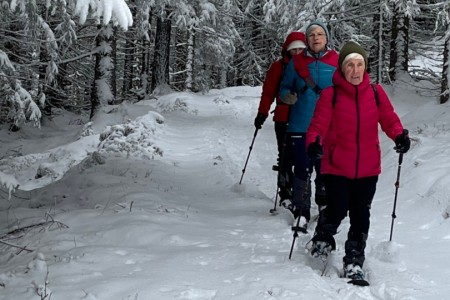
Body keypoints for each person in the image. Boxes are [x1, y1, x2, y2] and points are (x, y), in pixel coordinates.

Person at [305, 41, 411, 281]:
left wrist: (399, 135)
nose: (355, 70)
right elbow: (318, 125)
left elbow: (389, 119)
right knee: (338, 208)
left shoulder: (375, 93)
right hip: (336, 166)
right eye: (350, 65)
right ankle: (323, 236)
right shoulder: (331, 95)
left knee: (361, 214)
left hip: (368, 168)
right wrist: (313, 142)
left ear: (365, 67)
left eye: (359, 65)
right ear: (342, 68)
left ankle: (354, 259)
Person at [278, 20, 338, 231]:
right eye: (312, 34)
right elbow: (284, 87)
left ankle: (324, 207)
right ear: (307, 39)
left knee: (325, 170)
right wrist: (287, 96)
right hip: (300, 124)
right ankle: (301, 212)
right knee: (302, 170)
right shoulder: (296, 63)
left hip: (328, 127)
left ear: (326, 37)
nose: (316, 38)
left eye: (320, 34)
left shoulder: (337, 61)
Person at [254, 31, 307, 202]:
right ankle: (285, 191)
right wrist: (262, 113)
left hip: (305, 118)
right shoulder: (278, 67)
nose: (297, 52)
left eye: (301, 49)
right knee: (285, 155)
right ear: (287, 50)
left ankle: (301, 192)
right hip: (283, 118)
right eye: (294, 49)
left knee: (302, 156)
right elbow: (268, 92)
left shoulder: (311, 65)